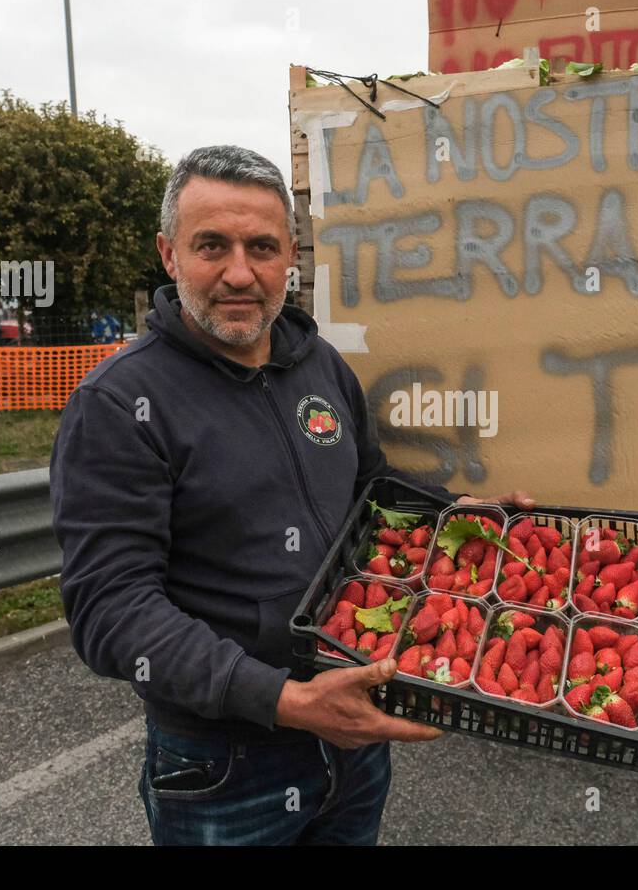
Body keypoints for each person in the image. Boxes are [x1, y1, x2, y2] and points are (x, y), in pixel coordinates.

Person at [49, 145, 532, 846]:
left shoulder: (319, 365)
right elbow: (109, 610)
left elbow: (367, 488)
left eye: (262, 247)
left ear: (291, 257)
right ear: (168, 254)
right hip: (226, 764)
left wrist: (454, 512)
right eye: (211, 245)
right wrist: (285, 701)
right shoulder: (120, 403)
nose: (239, 273)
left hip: (353, 728)